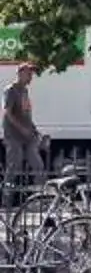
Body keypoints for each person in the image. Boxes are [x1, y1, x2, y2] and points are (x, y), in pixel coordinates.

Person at [3, 61, 46, 192]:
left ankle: (41, 197)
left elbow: (26, 115)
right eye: (29, 74)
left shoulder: (25, 91)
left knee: (38, 165)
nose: (31, 77)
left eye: (31, 74)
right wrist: (21, 128)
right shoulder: (11, 90)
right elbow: (8, 113)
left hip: (28, 136)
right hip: (14, 136)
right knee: (14, 167)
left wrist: (35, 131)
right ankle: (7, 200)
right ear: (20, 74)